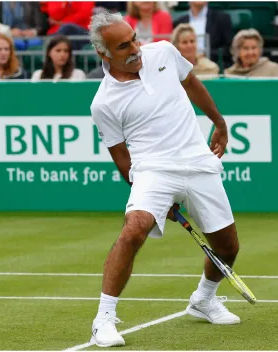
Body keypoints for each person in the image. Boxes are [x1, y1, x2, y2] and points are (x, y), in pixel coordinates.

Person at [88, 9, 240, 347]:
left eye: (134, 39)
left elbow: (192, 83)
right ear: (104, 53)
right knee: (134, 230)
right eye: (124, 47)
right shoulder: (103, 103)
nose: (135, 49)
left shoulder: (163, 52)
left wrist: (219, 122)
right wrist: (155, 197)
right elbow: (122, 159)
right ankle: (104, 319)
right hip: (152, 169)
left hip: (198, 161)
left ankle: (203, 299)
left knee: (228, 247)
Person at [174, 2, 233, 68]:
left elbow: (229, 49)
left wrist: (206, 55)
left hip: (213, 68)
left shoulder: (222, 18)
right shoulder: (179, 22)